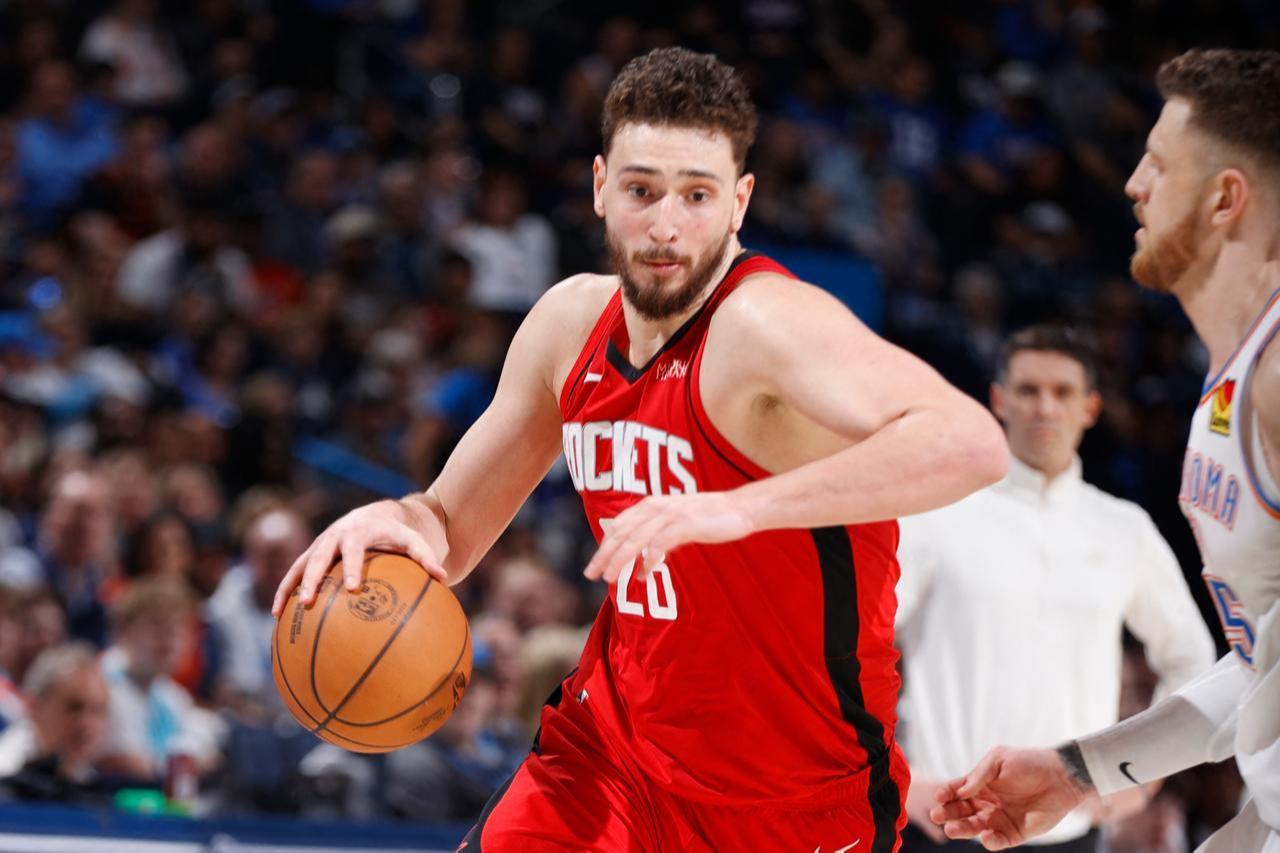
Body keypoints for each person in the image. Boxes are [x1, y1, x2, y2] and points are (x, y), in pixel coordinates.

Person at [274, 47, 1009, 851]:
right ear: (600, 187)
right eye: (641, 190)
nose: (665, 225)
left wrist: (739, 508)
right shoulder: (568, 326)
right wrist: (400, 519)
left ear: (739, 202)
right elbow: (448, 525)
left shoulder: (768, 324)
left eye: (697, 194)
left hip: (789, 797)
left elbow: (971, 443)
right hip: (607, 760)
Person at [931, 48, 1280, 853]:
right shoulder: (1229, 383)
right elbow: (1261, 664)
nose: (1132, 184)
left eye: (1159, 163)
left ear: (1225, 198)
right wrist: (1077, 770)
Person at [895, 324, 1215, 852]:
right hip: (941, 823)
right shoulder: (936, 513)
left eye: (1062, 392)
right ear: (999, 400)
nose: (1045, 408)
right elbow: (855, 648)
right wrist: (897, 779)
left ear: (1090, 407)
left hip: (1070, 831)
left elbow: (1193, 660)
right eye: (1028, 390)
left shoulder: (1123, 528)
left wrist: (1140, 774)